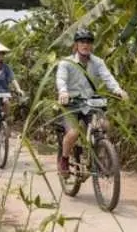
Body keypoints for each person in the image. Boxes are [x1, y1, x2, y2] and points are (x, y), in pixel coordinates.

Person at [55, 28, 128, 177]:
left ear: (92, 45)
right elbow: (61, 79)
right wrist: (63, 92)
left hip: (90, 103)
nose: (85, 45)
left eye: (88, 42)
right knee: (73, 133)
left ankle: (99, 155)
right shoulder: (66, 63)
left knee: (104, 125)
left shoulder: (98, 62)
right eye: (82, 41)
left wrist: (118, 90)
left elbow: (108, 78)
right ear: (76, 44)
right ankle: (64, 159)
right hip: (71, 104)